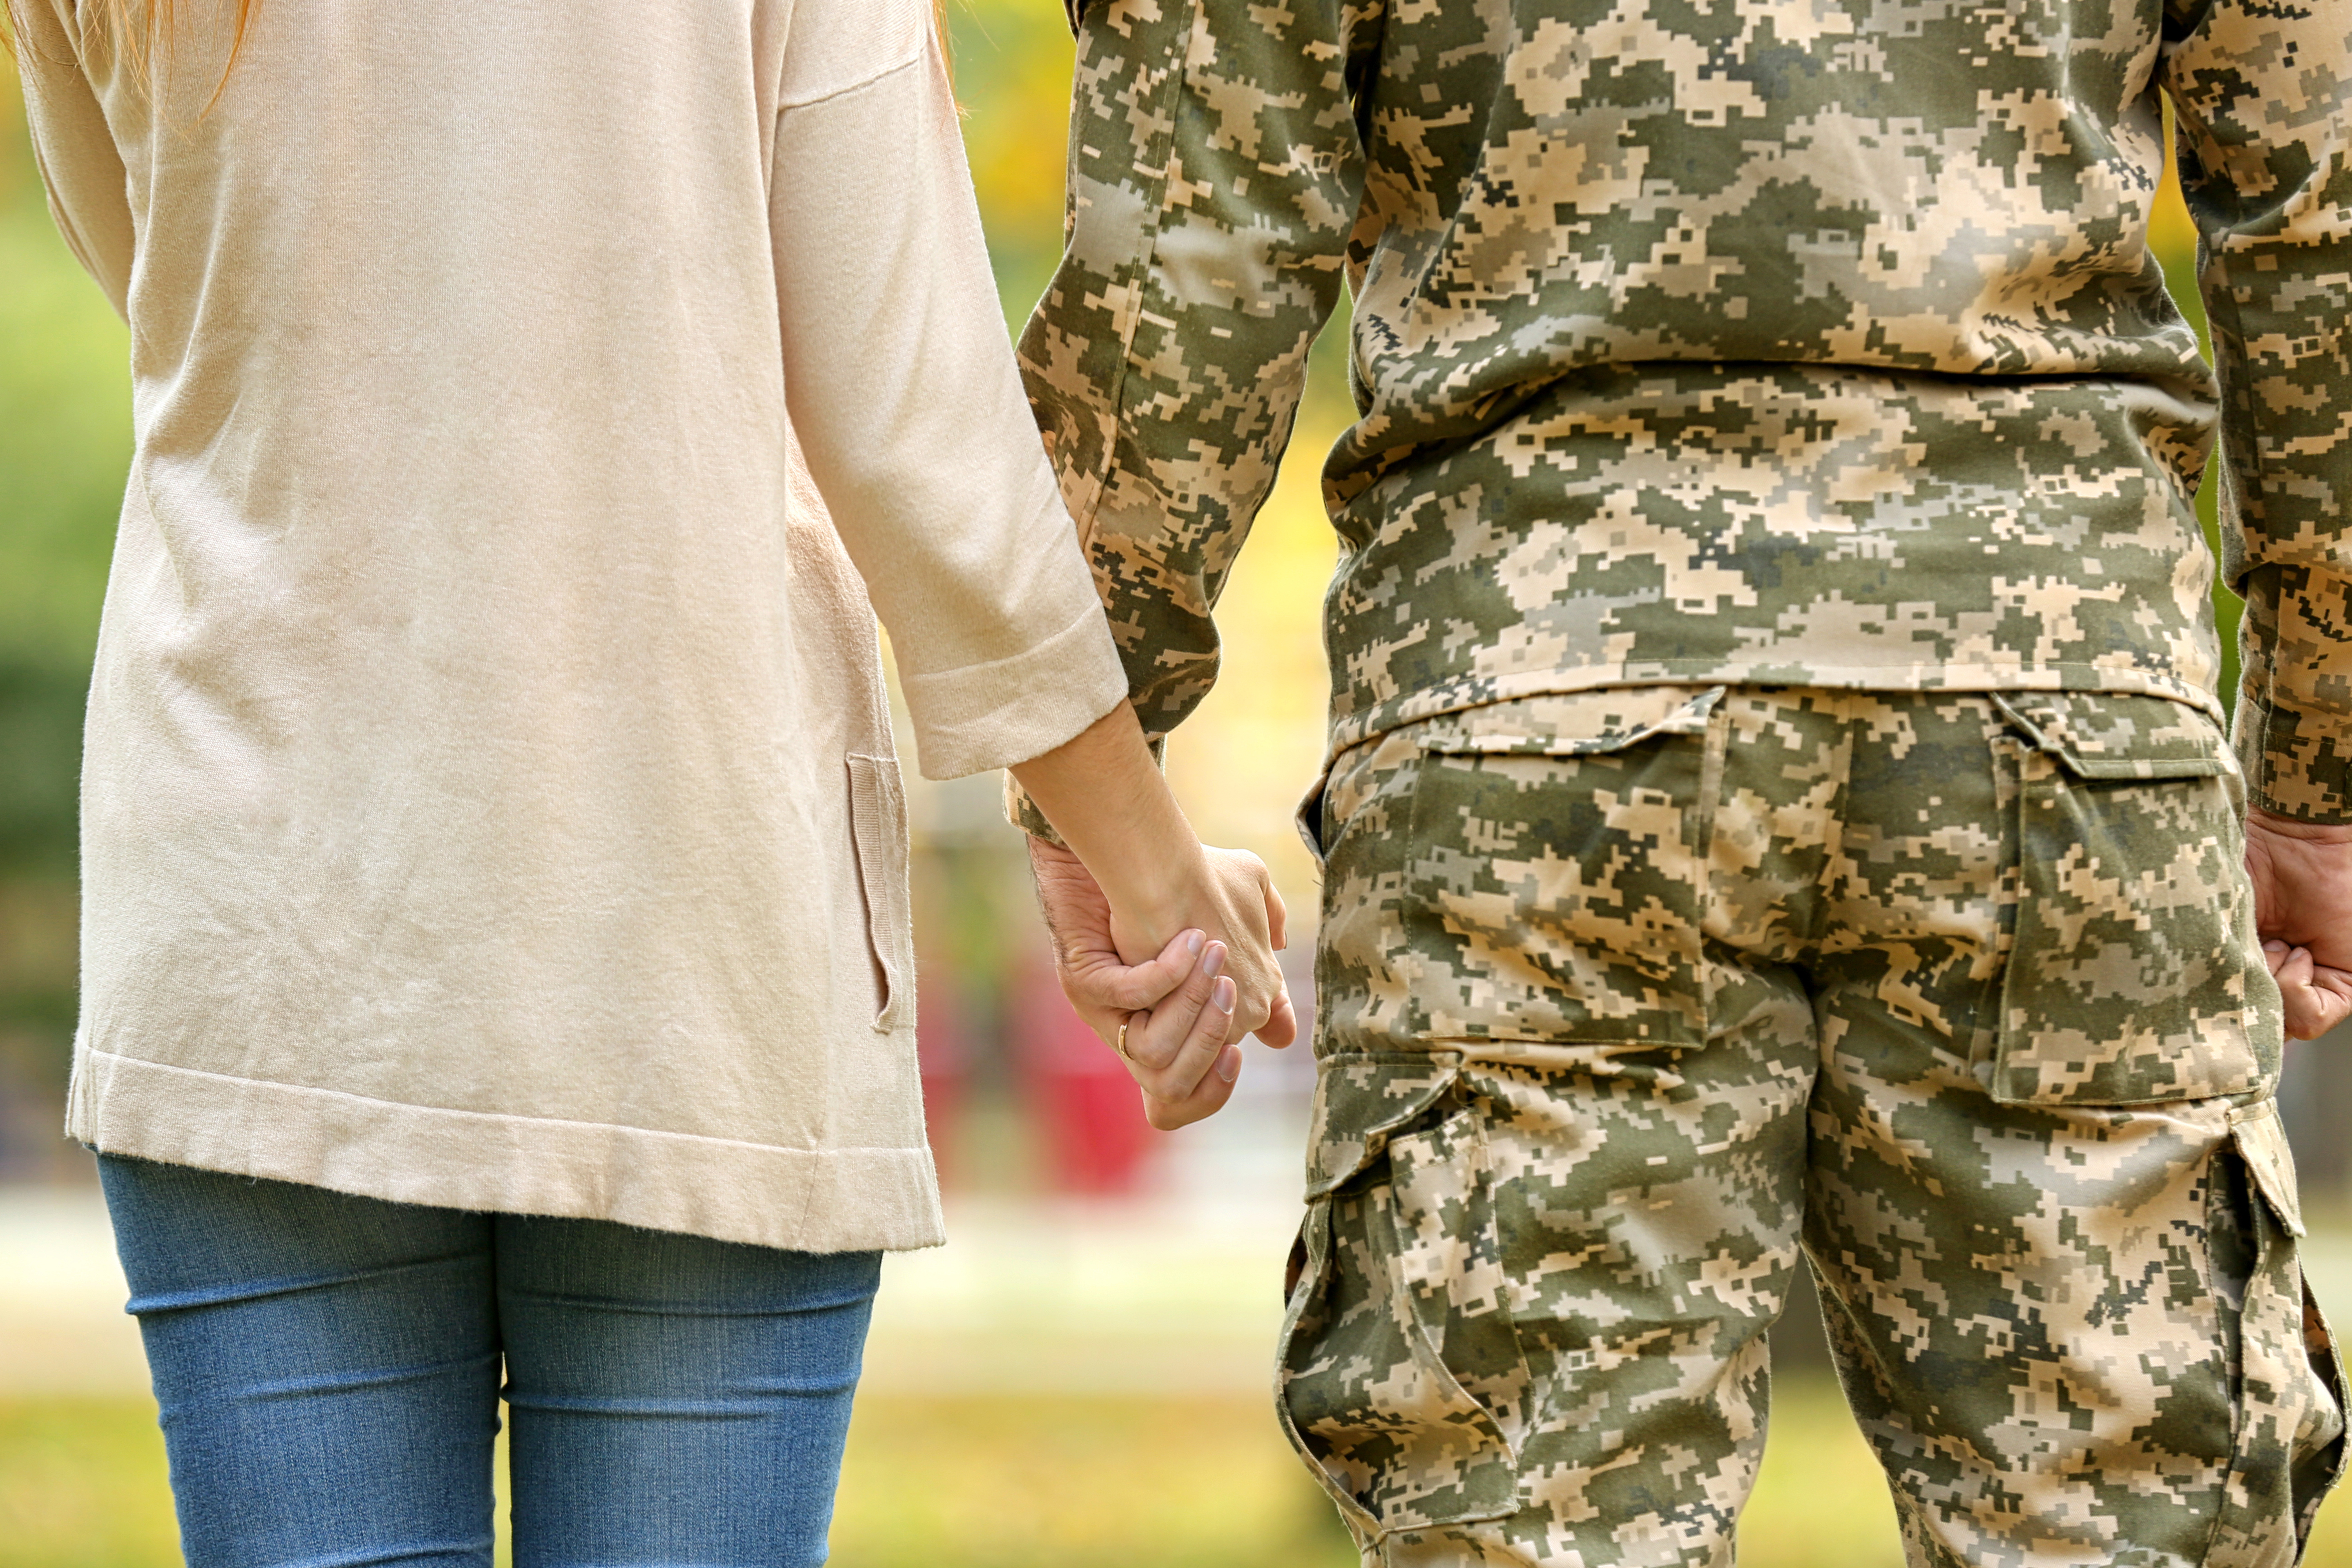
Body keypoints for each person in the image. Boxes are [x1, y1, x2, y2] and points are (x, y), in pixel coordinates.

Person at [1019, 0, 2352, 1562]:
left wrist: (1086, 771)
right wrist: (2314, 768)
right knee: (2120, 1522)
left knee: (1536, 1526)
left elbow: (1195, 234)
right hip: (2048, 718)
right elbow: (2319, 209)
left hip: (1533, 729)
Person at [6, 0, 1289, 1561]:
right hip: (689, 914)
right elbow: (916, 433)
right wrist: (1143, 866)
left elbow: (167, 280)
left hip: (262, 896)